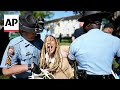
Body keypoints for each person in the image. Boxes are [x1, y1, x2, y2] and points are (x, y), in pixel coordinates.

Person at [68, 11, 120, 79]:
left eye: (84, 22)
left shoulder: (77, 42)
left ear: (89, 22)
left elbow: (70, 60)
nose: (83, 25)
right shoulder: (115, 40)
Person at [0, 12, 43, 79]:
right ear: (22, 31)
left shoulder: (39, 42)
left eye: (35, 31)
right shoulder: (14, 45)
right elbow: (6, 70)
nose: (35, 33)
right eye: (31, 31)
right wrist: (29, 66)